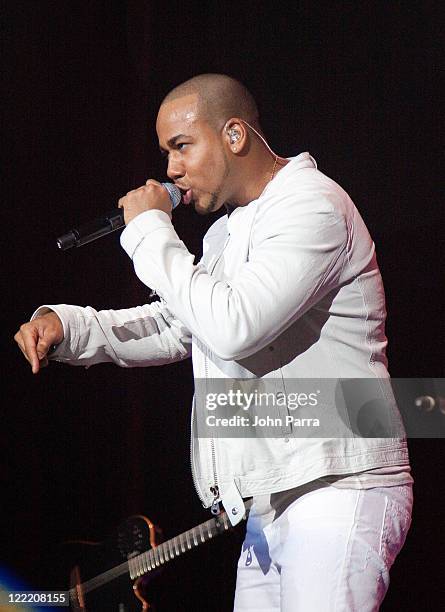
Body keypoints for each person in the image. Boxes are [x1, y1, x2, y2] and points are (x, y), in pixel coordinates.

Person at [15, 74, 413, 611]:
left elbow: (234, 325)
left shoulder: (312, 206)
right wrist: (74, 328)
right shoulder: (228, 232)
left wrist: (150, 231)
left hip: (338, 486)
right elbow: (184, 323)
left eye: (182, 146)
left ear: (234, 135)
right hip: (271, 500)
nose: (171, 169)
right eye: (166, 153)